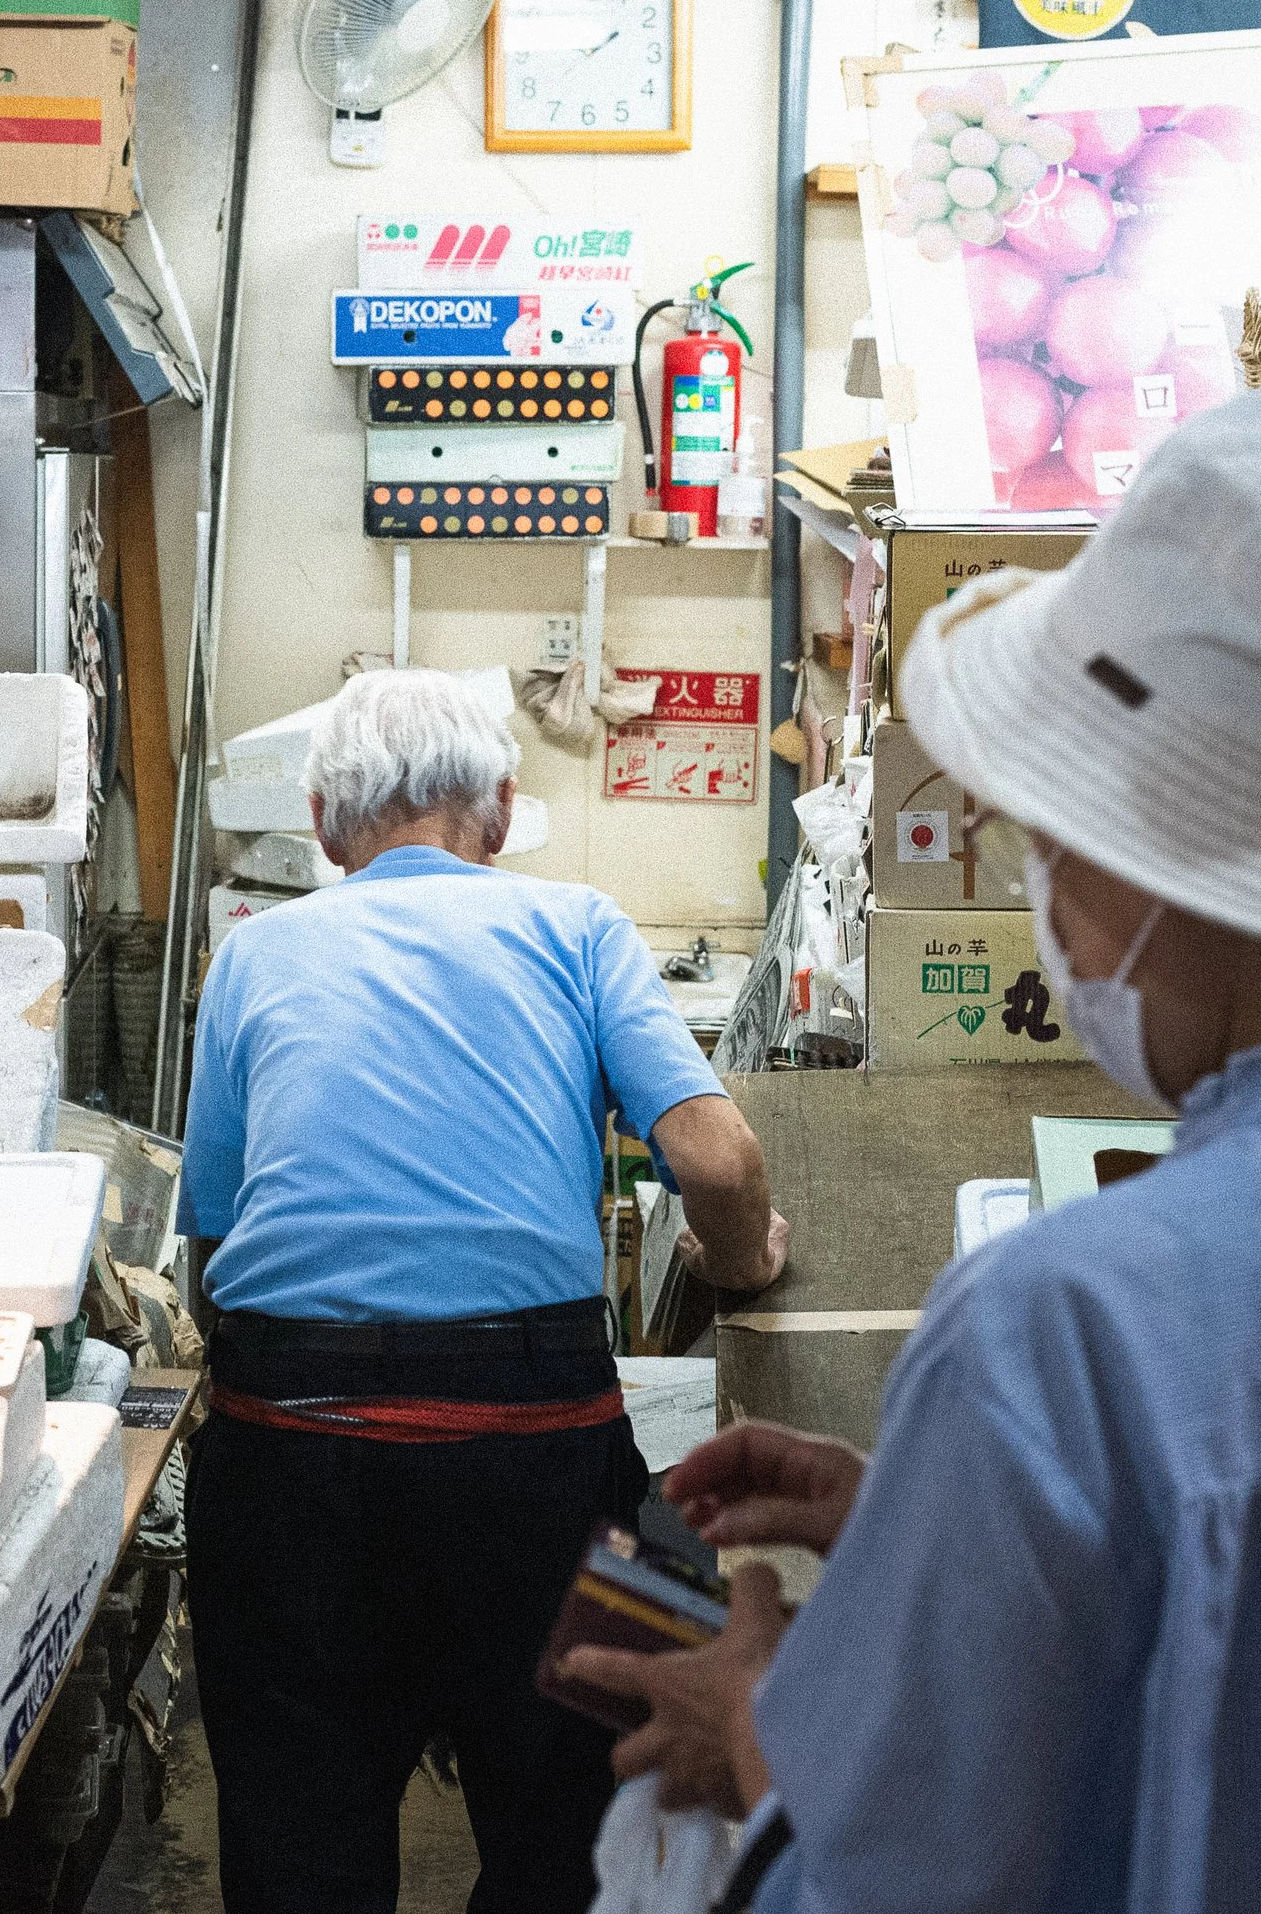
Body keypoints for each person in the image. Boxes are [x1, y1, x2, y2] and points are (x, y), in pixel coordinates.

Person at [561, 391, 1261, 1911]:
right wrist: (940, 1520)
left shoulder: (1066, 1333)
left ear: (1170, 856)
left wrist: (762, 1729)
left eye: (1051, 843)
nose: (1050, 899)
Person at [180, 667, 788, 1914]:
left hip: (286, 1456)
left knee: (299, 1844)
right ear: (499, 812)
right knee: (572, 1829)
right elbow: (717, 1158)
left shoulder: (254, 954)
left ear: (322, 823)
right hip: (539, 1452)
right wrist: (744, 1264)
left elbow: (209, 1258)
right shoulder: (574, 924)